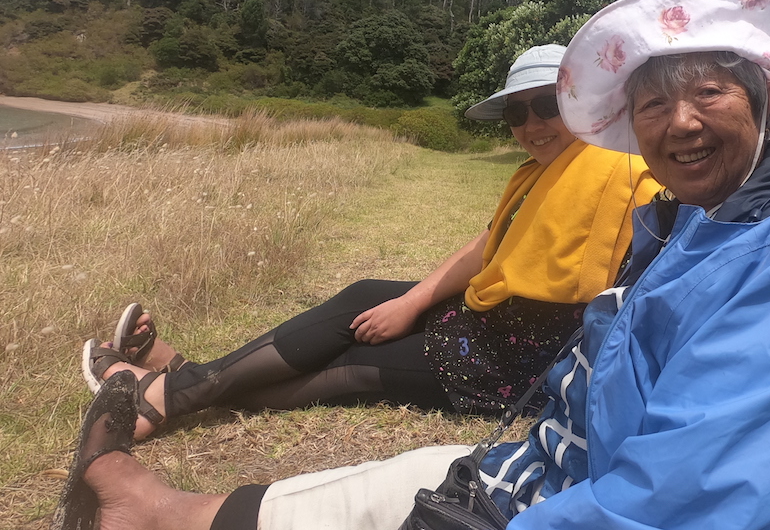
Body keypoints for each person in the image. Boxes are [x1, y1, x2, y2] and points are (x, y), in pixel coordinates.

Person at [46, 0, 770, 530]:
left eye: (710, 92)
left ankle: (165, 438)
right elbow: (513, 263)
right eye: (655, 101)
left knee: (393, 433)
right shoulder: (698, 215)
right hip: (590, 459)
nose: (681, 121)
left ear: (765, 99)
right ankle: (160, 507)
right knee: (414, 468)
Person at [81, 44, 659, 439]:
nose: (531, 124)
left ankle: (161, 396)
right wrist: (413, 301)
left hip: (522, 356)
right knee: (365, 295)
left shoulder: (630, 169)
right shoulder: (538, 174)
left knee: (354, 364)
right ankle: (185, 378)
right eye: (517, 111)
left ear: (587, 104)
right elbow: (491, 245)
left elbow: (649, 281)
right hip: (491, 317)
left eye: (548, 104)